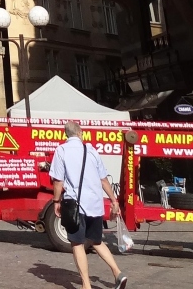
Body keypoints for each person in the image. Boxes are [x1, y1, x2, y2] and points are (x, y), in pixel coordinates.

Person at [50, 121, 127, 289]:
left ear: (66, 134)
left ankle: (86, 285)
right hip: (95, 204)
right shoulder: (91, 151)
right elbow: (103, 180)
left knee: (77, 244)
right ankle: (118, 273)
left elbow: (58, 181)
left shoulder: (62, 150)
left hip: (75, 205)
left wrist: (56, 201)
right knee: (96, 241)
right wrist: (114, 200)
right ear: (80, 133)